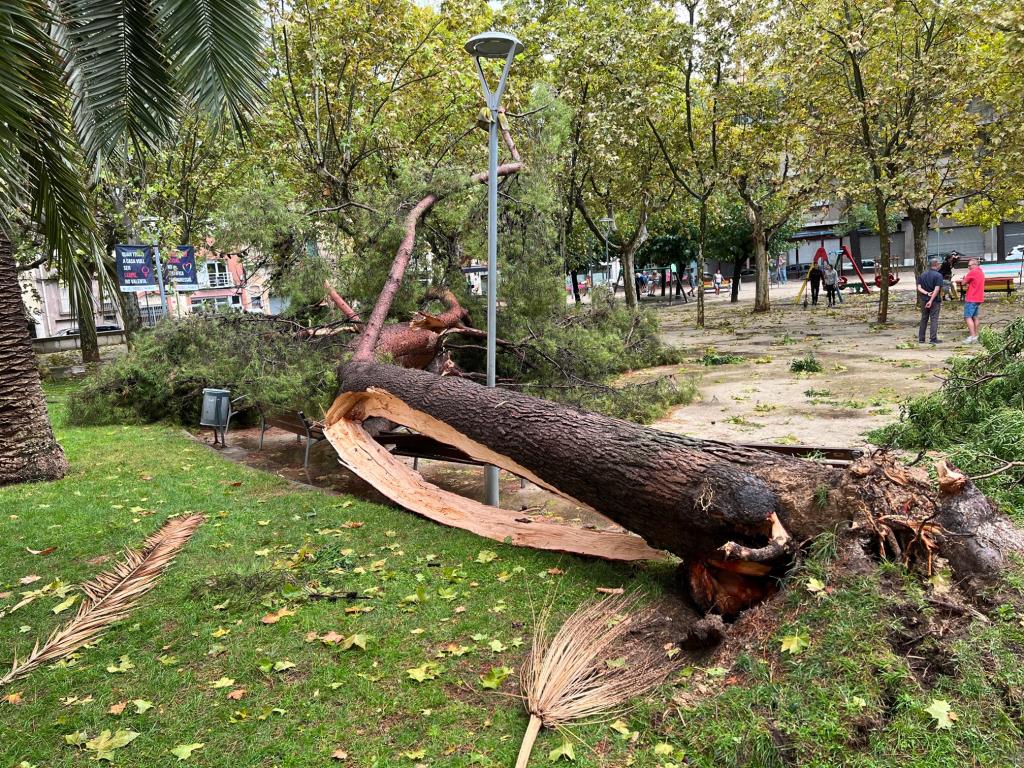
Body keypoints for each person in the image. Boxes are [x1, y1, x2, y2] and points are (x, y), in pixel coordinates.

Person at [917, 257, 944, 344]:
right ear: (936, 264)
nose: (940, 265)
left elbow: (919, 288)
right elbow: (936, 289)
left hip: (923, 299)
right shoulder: (938, 276)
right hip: (934, 301)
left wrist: (926, 293)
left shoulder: (922, 275)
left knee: (924, 318)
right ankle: (933, 339)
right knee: (934, 319)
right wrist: (931, 300)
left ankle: (921, 338)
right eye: (939, 263)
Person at [961, 257, 985, 343]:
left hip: (971, 298)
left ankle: (972, 336)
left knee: (967, 317)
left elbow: (963, 283)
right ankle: (976, 335)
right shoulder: (981, 272)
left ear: (975, 265)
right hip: (979, 298)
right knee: (975, 317)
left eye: (969, 265)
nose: (968, 267)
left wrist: (964, 278)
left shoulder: (972, 272)